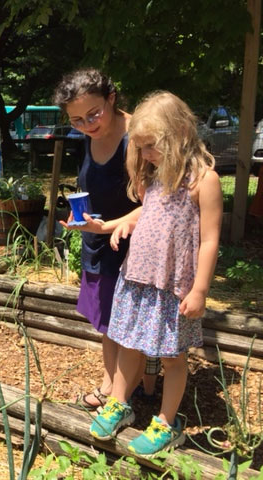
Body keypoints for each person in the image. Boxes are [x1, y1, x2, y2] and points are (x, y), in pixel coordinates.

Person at [88, 91, 222, 456]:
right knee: (129, 343)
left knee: (172, 358)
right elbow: (144, 213)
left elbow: (209, 241)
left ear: (179, 133)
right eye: (141, 147)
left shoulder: (203, 181)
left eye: (152, 146)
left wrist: (200, 290)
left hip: (172, 287)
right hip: (138, 280)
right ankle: (119, 402)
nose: (145, 155)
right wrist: (114, 226)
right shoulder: (155, 178)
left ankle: (166, 422)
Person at [53, 68, 158, 411]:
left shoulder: (139, 139)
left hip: (133, 247)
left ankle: (119, 397)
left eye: (93, 114)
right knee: (106, 322)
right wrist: (83, 218)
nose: (86, 125)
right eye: (77, 120)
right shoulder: (88, 136)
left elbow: (160, 203)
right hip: (100, 242)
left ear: (111, 98)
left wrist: (110, 226)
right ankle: (110, 384)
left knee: (127, 326)